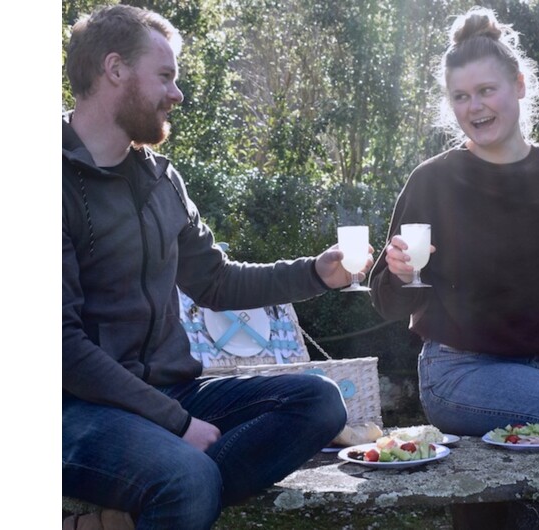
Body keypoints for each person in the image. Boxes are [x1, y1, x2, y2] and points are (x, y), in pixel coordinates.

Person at [62, 5, 372, 529]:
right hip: (75, 409)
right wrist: (177, 424)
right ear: (115, 69)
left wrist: (316, 273)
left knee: (320, 401)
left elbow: (216, 280)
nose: (177, 94)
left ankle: (122, 522)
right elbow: (61, 347)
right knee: (187, 476)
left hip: (170, 390)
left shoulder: (163, 181)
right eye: (165, 76)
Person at [368, 7, 539, 437]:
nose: (475, 107)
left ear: (519, 85)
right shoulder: (433, 180)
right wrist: (403, 274)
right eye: (461, 96)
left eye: (486, 90)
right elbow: (387, 302)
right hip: (460, 375)